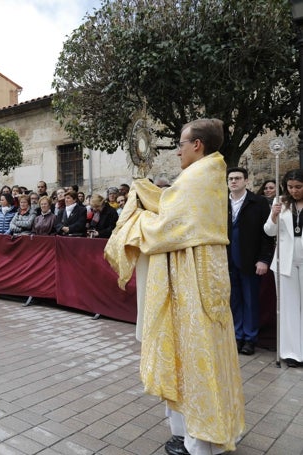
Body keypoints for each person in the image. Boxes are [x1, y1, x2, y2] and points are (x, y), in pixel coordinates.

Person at [104, 118, 244, 455]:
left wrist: (135, 216)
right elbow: (172, 206)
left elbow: (166, 227)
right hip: (194, 275)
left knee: (196, 353)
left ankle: (200, 438)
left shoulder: (199, 175)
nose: (178, 149)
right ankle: (192, 432)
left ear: (197, 145)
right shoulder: (206, 173)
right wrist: (145, 188)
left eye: (182, 143)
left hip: (193, 282)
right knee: (192, 353)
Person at [227, 167, 272, 356]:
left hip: (250, 260)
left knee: (250, 301)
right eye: (230, 179)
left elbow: (266, 235)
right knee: (234, 300)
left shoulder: (259, 202)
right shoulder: (222, 203)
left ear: (246, 180)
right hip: (228, 261)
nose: (233, 182)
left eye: (237, 178)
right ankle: (237, 336)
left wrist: (264, 259)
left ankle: (250, 338)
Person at [264, 168, 303, 368]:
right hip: (285, 262)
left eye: (298, 187)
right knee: (288, 308)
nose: (294, 191)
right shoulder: (281, 203)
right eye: (290, 187)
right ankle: (292, 353)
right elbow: (269, 231)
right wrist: (273, 215)